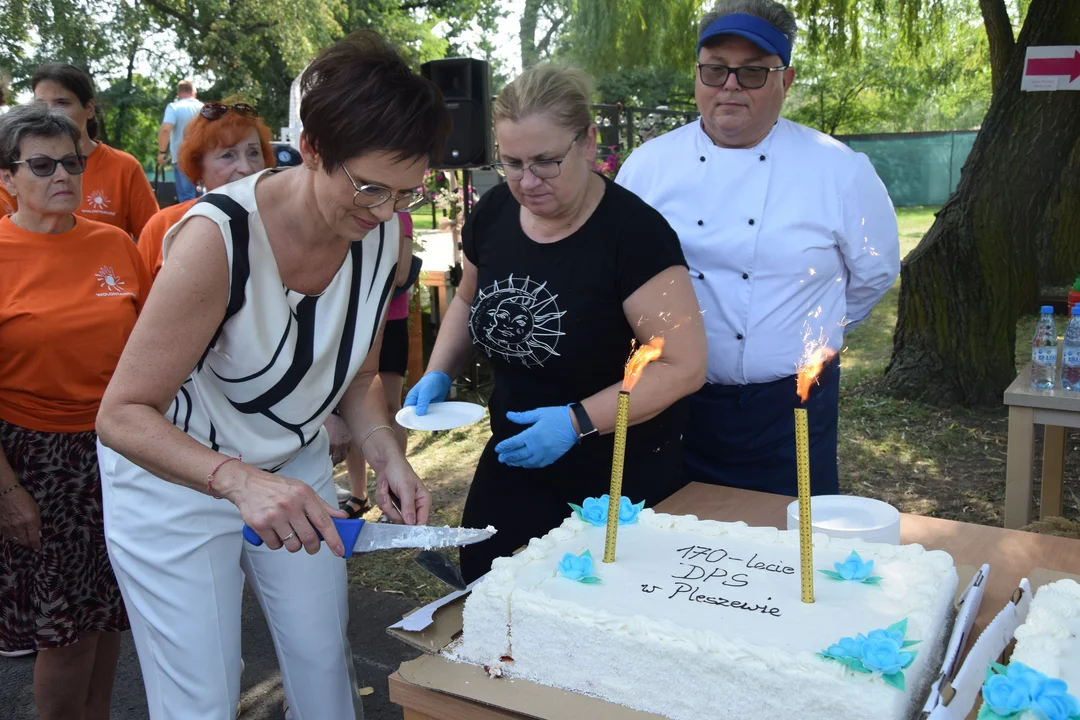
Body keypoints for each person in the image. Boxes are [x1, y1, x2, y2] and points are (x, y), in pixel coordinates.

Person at [94, 31, 449, 720]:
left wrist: (384, 451)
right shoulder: (218, 239)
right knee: (199, 697)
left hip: (294, 470)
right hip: (175, 483)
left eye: (406, 193)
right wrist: (236, 481)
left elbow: (361, 372)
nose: (382, 212)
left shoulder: (386, 234)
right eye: (369, 187)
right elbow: (122, 413)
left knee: (323, 669)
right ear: (313, 148)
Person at [404, 64, 707, 583]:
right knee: (490, 587)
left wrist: (575, 421)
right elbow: (466, 301)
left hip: (615, 469)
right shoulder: (495, 213)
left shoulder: (633, 236)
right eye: (512, 162)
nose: (527, 181)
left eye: (546, 162)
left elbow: (684, 365)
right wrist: (439, 370)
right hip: (515, 456)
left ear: (588, 142)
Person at [616, 0, 900, 496]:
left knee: (794, 549)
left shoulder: (839, 169)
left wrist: (812, 333)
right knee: (669, 549)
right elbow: (619, 273)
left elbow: (875, 272)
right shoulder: (648, 167)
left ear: (785, 81)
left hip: (791, 404)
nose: (729, 86)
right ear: (698, 75)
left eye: (751, 73)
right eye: (715, 70)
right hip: (671, 399)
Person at [0, 104, 150, 716]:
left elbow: (149, 349)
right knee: (61, 634)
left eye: (72, 162)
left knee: (107, 616)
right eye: (41, 164)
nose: (62, 175)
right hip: (36, 461)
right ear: (8, 179)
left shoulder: (114, 243)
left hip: (120, 450)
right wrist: (7, 491)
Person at [0, 63, 160, 238]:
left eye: (61, 103)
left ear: (89, 109)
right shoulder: (16, 169)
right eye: (41, 166)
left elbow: (154, 239)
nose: (51, 112)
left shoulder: (124, 167)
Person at [332, 211, 419, 518]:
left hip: (390, 321)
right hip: (350, 323)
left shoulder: (399, 218)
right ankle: (358, 493)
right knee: (349, 414)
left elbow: (399, 273)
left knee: (390, 409)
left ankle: (395, 492)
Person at [139, 101, 274, 279]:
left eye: (253, 153)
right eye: (228, 155)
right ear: (199, 167)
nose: (246, 168)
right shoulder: (164, 225)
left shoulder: (280, 224)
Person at [157, 79, 204, 203]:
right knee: (203, 197)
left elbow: (166, 129)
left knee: (187, 199)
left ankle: (189, 222)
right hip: (204, 159)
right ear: (194, 93)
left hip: (182, 159)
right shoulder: (203, 108)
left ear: (179, 94)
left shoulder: (174, 107)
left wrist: (162, 152)